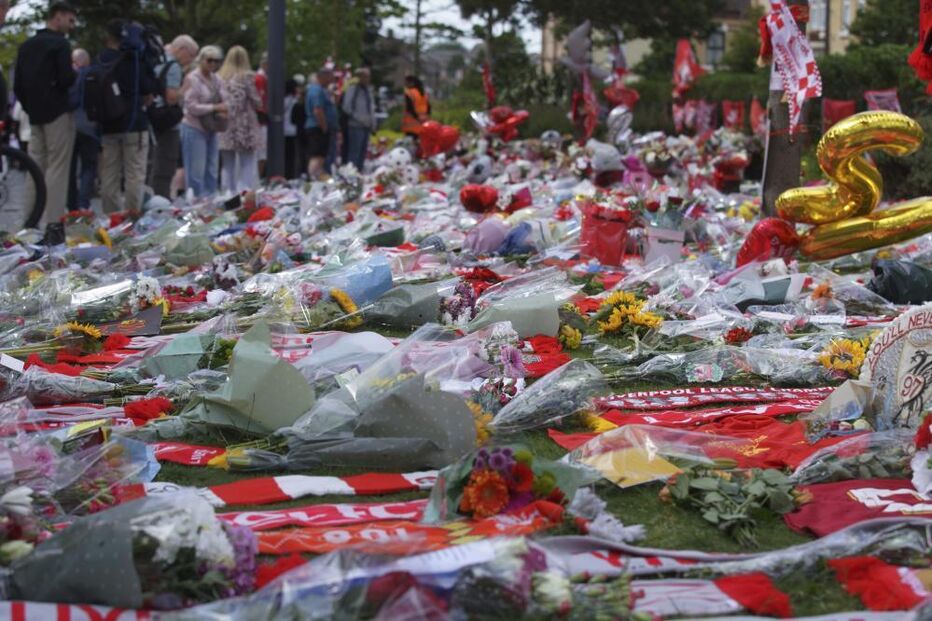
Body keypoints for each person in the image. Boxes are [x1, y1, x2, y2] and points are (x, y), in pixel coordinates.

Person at [13, 1, 77, 243]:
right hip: (58, 113)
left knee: (34, 167)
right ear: (58, 16)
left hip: (35, 113)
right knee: (58, 167)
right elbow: (66, 78)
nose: (71, 25)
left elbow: (18, 84)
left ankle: (29, 222)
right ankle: (53, 223)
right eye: (70, 19)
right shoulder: (59, 44)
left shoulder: (28, 45)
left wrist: (30, 106)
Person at [96, 19, 159, 216]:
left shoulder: (100, 59)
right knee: (134, 175)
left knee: (109, 176)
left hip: (108, 125)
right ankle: (132, 220)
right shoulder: (134, 60)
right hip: (134, 123)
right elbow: (150, 88)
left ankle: (111, 219)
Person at [148, 34, 198, 199]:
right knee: (166, 163)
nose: (191, 60)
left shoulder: (158, 61)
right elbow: (171, 97)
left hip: (154, 119)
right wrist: (184, 89)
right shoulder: (174, 67)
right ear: (182, 50)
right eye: (191, 55)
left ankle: (154, 197)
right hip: (168, 122)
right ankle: (161, 200)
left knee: (155, 162)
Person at [181, 46, 226, 197]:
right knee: (196, 170)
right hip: (194, 127)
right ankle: (196, 202)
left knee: (212, 168)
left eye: (217, 61)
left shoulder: (217, 79)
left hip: (212, 127)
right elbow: (190, 106)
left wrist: (225, 108)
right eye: (209, 60)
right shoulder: (192, 79)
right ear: (201, 60)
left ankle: (210, 200)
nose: (213, 64)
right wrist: (214, 107)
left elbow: (226, 99)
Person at [217, 45, 261, 194]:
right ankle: (244, 194)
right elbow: (256, 100)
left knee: (227, 164)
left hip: (225, 122)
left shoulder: (220, 77)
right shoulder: (247, 76)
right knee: (246, 162)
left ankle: (227, 194)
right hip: (244, 124)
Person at [67, 48, 99, 212]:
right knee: (89, 166)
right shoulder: (93, 75)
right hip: (89, 126)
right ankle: (83, 203)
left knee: (70, 167)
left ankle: (71, 204)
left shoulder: (70, 77)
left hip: (71, 124)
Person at [304, 67, 337, 178]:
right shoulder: (316, 90)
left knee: (321, 155)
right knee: (317, 155)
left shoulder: (322, 90)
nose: (330, 81)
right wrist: (324, 126)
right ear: (321, 77)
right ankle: (313, 178)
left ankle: (317, 177)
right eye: (329, 78)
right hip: (317, 127)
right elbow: (318, 110)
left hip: (319, 127)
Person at [341, 67, 375, 172]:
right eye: (365, 76)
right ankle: (351, 174)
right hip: (355, 125)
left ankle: (359, 173)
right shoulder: (353, 89)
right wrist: (360, 118)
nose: (367, 79)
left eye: (368, 76)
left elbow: (371, 108)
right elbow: (346, 107)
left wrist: (372, 122)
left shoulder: (368, 90)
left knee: (362, 152)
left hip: (366, 126)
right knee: (354, 152)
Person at [401, 75, 430, 140]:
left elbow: (409, 107)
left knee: (410, 143)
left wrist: (416, 117)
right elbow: (428, 107)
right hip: (423, 122)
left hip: (411, 123)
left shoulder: (409, 92)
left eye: (407, 82)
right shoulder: (423, 93)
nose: (405, 84)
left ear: (412, 83)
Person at [283, 78, 300, 179]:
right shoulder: (293, 100)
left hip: (283, 130)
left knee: (286, 156)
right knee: (291, 156)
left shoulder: (283, 100)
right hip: (292, 130)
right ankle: (290, 175)